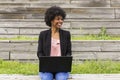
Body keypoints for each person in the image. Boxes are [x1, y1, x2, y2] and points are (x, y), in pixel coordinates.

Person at [37, 6, 72, 80]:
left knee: (61, 78)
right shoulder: (43, 34)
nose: (61, 21)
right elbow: (40, 52)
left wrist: (65, 62)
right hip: (47, 68)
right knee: (46, 78)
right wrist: (45, 62)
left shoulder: (66, 34)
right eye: (58, 19)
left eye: (62, 19)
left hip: (61, 68)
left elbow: (68, 52)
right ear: (51, 20)